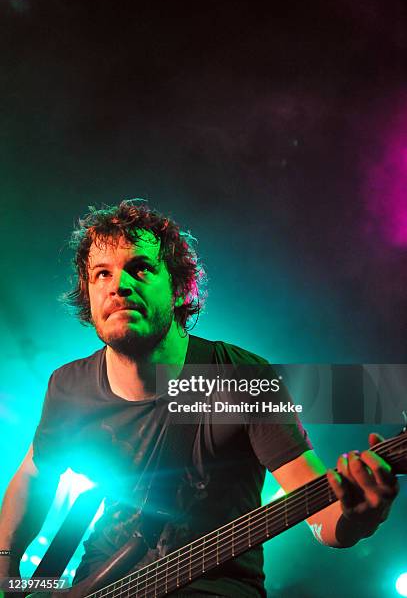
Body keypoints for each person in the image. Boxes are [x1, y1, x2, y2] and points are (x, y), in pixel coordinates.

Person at [0, 201, 400, 597]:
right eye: (101, 274)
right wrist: (5, 566)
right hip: (97, 582)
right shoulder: (69, 386)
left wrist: (356, 518)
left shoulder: (237, 379)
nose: (118, 285)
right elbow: (36, 473)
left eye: (140, 268)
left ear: (177, 288)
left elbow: (318, 506)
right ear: (88, 296)